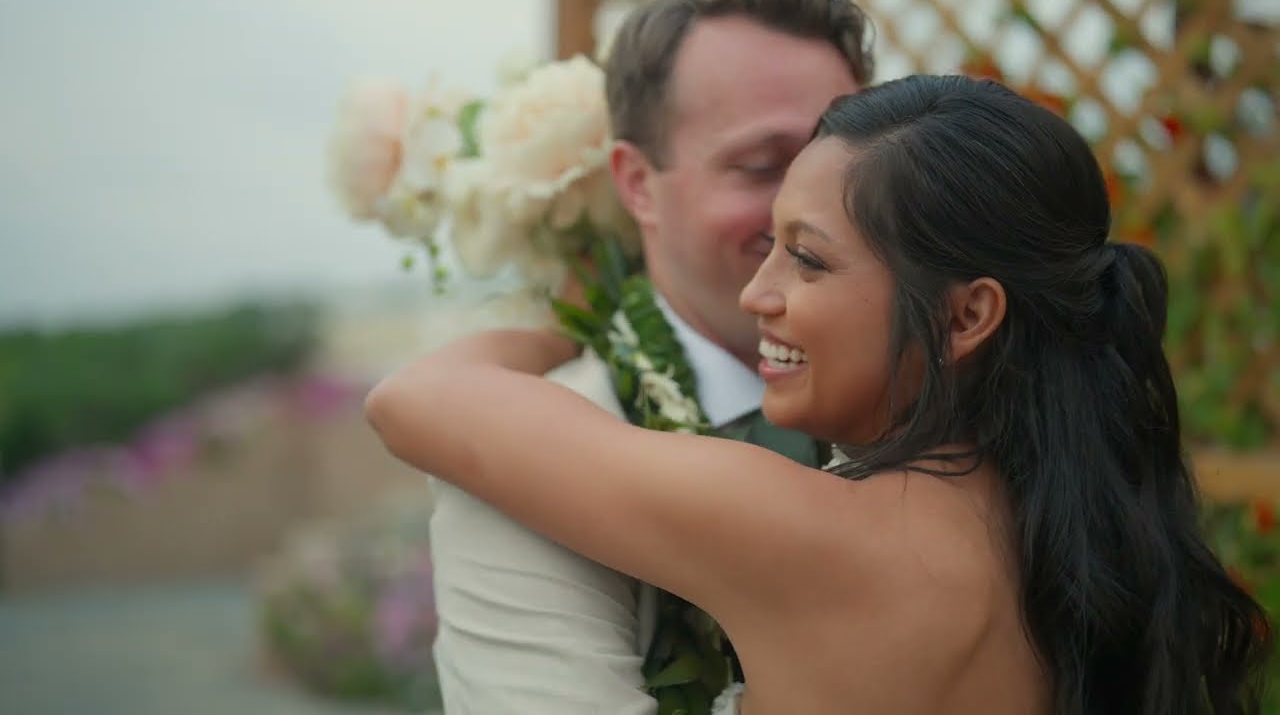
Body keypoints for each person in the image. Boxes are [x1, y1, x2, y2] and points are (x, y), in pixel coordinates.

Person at [368, 74, 1273, 714]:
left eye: (807, 258)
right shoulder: (1085, 539)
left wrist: (568, 324)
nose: (760, 292)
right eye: (767, 245)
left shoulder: (806, 533)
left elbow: (417, 397)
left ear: (967, 317)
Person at [419, 0, 872, 712]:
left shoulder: (954, 399)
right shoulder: (518, 461)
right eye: (762, 166)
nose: (816, 211)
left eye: (848, 167)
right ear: (636, 185)